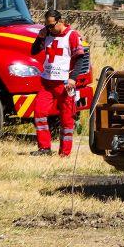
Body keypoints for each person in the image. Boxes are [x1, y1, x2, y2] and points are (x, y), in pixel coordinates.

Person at [30, 10, 88, 157]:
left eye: (51, 25)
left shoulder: (72, 35)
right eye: (46, 26)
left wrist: (73, 78)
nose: (49, 29)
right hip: (47, 83)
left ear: (60, 21)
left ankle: (65, 153)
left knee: (67, 119)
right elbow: (34, 51)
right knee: (39, 113)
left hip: (64, 85)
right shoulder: (47, 34)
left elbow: (80, 58)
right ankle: (44, 148)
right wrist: (39, 38)